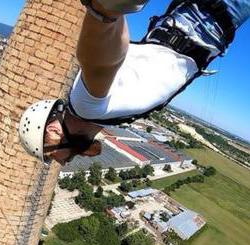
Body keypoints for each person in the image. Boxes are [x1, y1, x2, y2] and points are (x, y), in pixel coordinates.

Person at [19, 0, 250, 165]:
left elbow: (99, 62)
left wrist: (105, 10)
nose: (62, 163)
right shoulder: (97, 113)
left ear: (52, 131)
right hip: (213, 19)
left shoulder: (84, 105)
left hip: (208, 15)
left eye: (51, 156)